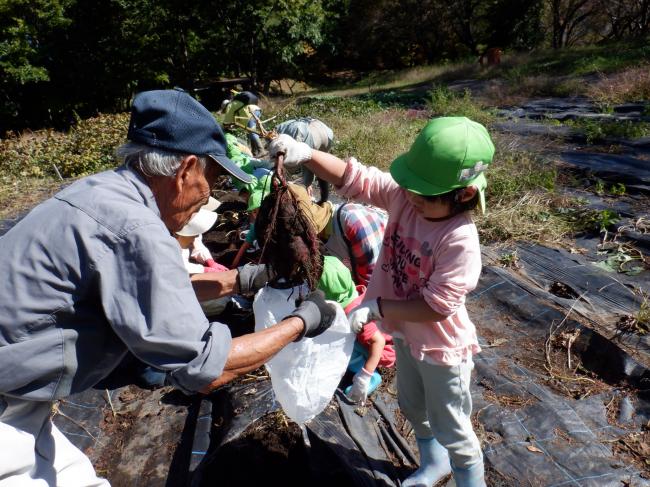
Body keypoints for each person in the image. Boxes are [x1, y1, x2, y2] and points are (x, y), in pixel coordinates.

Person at [0, 88, 336, 486]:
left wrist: (244, 279)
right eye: (212, 181)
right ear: (186, 170)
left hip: (22, 397)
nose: (208, 198)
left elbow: (160, 292)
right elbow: (208, 368)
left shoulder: (101, 193)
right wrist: (303, 321)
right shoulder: (136, 228)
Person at [268, 116, 495, 487]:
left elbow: (439, 306)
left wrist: (378, 309)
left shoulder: (459, 240)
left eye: (423, 197)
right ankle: (434, 465)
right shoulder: (409, 198)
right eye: (411, 191)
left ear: (464, 194)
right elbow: (356, 178)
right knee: (414, 408)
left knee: (452, 426)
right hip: (406, 336)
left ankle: (471, 481)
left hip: (441, 349)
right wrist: (307, 153)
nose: (412, 200)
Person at [274, 117, 334, 204]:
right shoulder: (281, 131)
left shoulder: (296, 140)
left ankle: (316, 201)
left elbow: (306, 165)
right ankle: (322, 199)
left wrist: (307, 184)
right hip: (319, 129)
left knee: (316, 166)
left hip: (318, 135)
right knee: (318, 167)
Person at [221, 90, 265, 157]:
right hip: (256, 110)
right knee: (251, 132)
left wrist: (223, 127)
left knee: (252, 132)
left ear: (225, 107)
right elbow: (236, 121)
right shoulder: (237, 103)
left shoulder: (230, 105)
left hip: (250, 113)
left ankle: (261, 150)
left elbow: (227, 120)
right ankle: (254, 153)